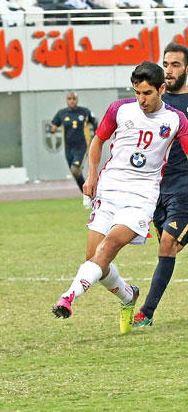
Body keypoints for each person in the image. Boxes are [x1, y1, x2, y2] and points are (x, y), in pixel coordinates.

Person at [51, 61, 188, 335]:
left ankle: (68, 297)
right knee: (95, 259)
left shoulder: (176, 120)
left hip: (142, 196)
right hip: (110, 189)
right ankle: (128, 296)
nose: (141, 99)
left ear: (162, 89)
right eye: (137, 92)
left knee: (109, 246)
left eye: (148, 93)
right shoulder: (119, 109)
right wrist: (91, 177)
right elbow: (98, 141)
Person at [135, 44, 188, 327]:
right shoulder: (154, 103)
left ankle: (146, 312)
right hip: (156, 188)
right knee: (171, 247)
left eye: (176, 64)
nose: (169, 69)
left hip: (185, 186)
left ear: (187, 69)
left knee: (167, 245)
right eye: (166, 63)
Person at [50, 93, 97, 203]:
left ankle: (88, 194)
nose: (72, 101)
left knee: (75, 170)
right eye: (69, 99)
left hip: (82, 146)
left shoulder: (84, 111)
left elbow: (94, 121)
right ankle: (89, 194)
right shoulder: (61, 113)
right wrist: (52, 129)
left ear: (77, 100)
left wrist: (96, 135)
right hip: (68, 149)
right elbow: (53, 126)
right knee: (75, 173)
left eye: (74, 99)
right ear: (66, 100)